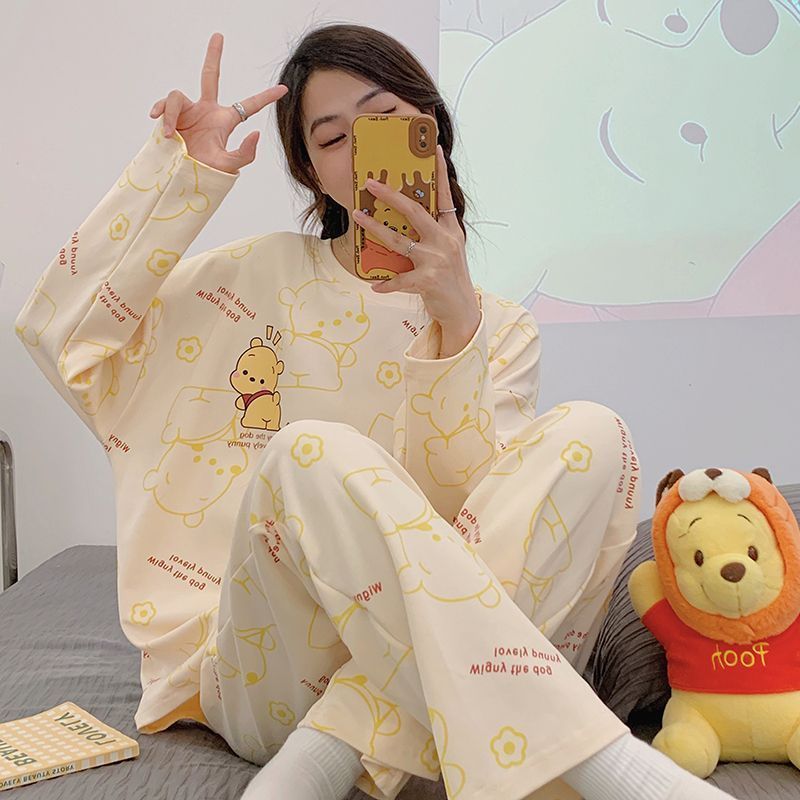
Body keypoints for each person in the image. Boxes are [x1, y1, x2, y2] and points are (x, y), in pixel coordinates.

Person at [13, 23, 735, 800]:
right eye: (331, 138)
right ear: (309, 170)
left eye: (383, 120)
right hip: (266, 667)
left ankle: (326, 754)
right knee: (309, 452)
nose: (362, 152)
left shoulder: (500, 328)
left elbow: (473, 532)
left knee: (595, 433)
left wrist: (455, 323)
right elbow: (63, 336)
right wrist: (178, 180)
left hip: (426, 672)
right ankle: (603, 762)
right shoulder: (252, 277)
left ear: (430, 130)